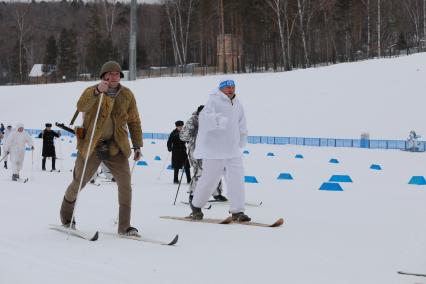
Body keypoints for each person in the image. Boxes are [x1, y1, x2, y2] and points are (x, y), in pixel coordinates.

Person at [59, 61, 143, 237]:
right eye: (110, 74)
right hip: (91, 145)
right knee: (78, 182)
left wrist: (137, 145)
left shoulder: (127, 95)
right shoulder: (93, 91)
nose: (113, 77)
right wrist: (97, 91)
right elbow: (81, 106)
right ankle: (67, 217)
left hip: (116, 147)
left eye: (117, 74)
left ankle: (124, 226)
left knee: (126, 185)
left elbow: (134, 121)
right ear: (103, 76)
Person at [189, 79, 251, 222]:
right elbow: (205, 119)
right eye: (227, 87)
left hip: (233, 150)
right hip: (215, 150)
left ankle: (238, 211)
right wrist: (217, 121)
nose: (231, 89)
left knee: (237, 180)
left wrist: (242, 136)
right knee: (209, 181)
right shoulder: (213, 101)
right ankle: (196, 206)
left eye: (233, 87)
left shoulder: (238, 104)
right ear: (221, 89)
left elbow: (242, 123)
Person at [180, 105, 228, 202]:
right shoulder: (193, 120)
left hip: (212, 150)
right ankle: (193, 194)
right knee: (200, 172)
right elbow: (184, 136)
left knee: (216, 171)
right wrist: (192, 131)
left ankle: (217, 193)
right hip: (197, 151)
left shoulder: (213, 120)